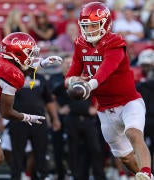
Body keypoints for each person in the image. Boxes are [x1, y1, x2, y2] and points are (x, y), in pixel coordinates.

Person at [64, 2, 152, 180]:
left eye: (94, 25)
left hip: (128, 102)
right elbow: (71, 74)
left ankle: (147, 172)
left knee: (133, 132)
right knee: (125, 158)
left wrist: (89, 85)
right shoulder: (81, 43)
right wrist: (73, 81)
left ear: (106, 24)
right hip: (105, 110)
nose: (90, 30)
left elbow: (106, 69)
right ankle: (146, 177)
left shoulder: (115, 42)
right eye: (86, 26)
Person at [0, 31, 62, 180]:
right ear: (17, 53)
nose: (32, 57)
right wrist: (27, 117)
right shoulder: (13, 75)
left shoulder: (1, 58)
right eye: (29, 53)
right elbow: (6, 112)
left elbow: (20, 65)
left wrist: (41, 63)